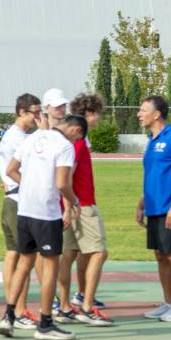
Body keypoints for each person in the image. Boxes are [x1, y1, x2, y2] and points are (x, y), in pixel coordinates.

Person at [1, 114, 84, 340]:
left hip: (24, 210)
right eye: (78, 138)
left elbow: (10, 170)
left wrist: (29, 184)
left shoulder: (31, 138)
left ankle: (8, 316)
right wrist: (74, 201)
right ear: (75, 130)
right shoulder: (65, 146)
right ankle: (46, 323)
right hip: (46, 213)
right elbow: (62, 183)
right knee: (50, 267)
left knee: (24, 263)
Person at [58, 92, 113, 326]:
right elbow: (67, 176)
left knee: (70, 253)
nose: (99, 118)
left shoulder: (70, 142)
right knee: (99, 252)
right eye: (97, 114)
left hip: (68, 205)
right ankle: (87, 306)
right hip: (82, 205)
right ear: (88, 114)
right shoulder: (78, 143)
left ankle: (64, 306)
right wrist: (72, 204)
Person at [137, 94, 171, 322]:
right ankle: (168, 303)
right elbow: (154, 174)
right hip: (154, 207)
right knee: (160, 255)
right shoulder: (152, 140)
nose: (139, 114)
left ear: (157, 114)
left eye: (143, 110)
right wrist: (143, 202)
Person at [0, 94, 41, 329]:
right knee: (25, 257)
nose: (38, 117)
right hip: (19, 200)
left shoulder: (12, 135)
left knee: (13, 254)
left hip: (11, 198)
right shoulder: (20, 138)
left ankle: (13, 308)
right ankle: (20, 310)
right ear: (22, 112)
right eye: (35, 112)